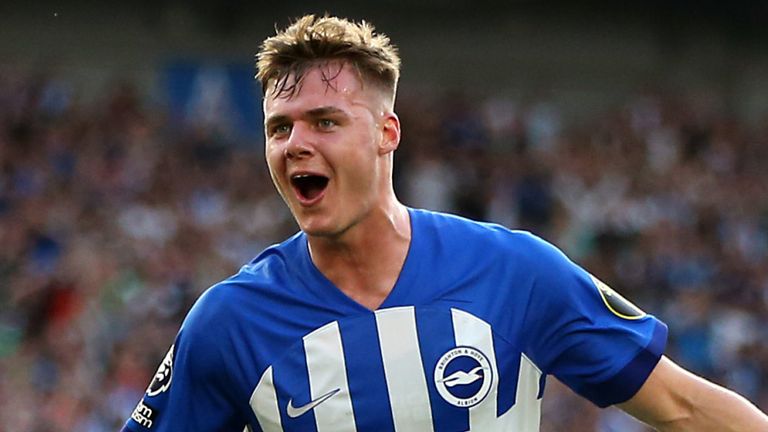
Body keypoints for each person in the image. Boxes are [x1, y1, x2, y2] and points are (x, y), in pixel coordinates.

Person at [122, 14, 768, 432]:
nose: (295, 143)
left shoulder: (513, 272)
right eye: (278, 128)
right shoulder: (231, 321)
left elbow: (683, 408)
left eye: (324, 121)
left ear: (386, 133)